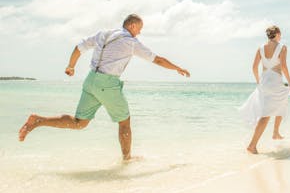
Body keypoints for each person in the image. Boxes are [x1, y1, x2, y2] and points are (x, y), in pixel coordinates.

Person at [18, 14, 190, 161]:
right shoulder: (131, 42)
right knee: (124, 122)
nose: (140, 32)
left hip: (91, 80)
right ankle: (127, 160)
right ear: (132, 25)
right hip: (107, 84)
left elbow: (79, 48)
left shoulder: (103, 34)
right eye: (139, 28)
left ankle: (38, 121)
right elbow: (157, 60)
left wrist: (71, 67)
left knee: (79, 123)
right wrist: (178, 68)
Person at [239, 25, 290, 154]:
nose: (281, 36)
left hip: (264, 81)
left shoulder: (260, 48)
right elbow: (284, 66)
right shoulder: (282, 47)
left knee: (282, 101)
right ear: (277, 34)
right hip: (275, 81)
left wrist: (258, 81)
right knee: (266, 115)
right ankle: (252, 145)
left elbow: (254, 67)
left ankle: (275, 132)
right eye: (280, 33)